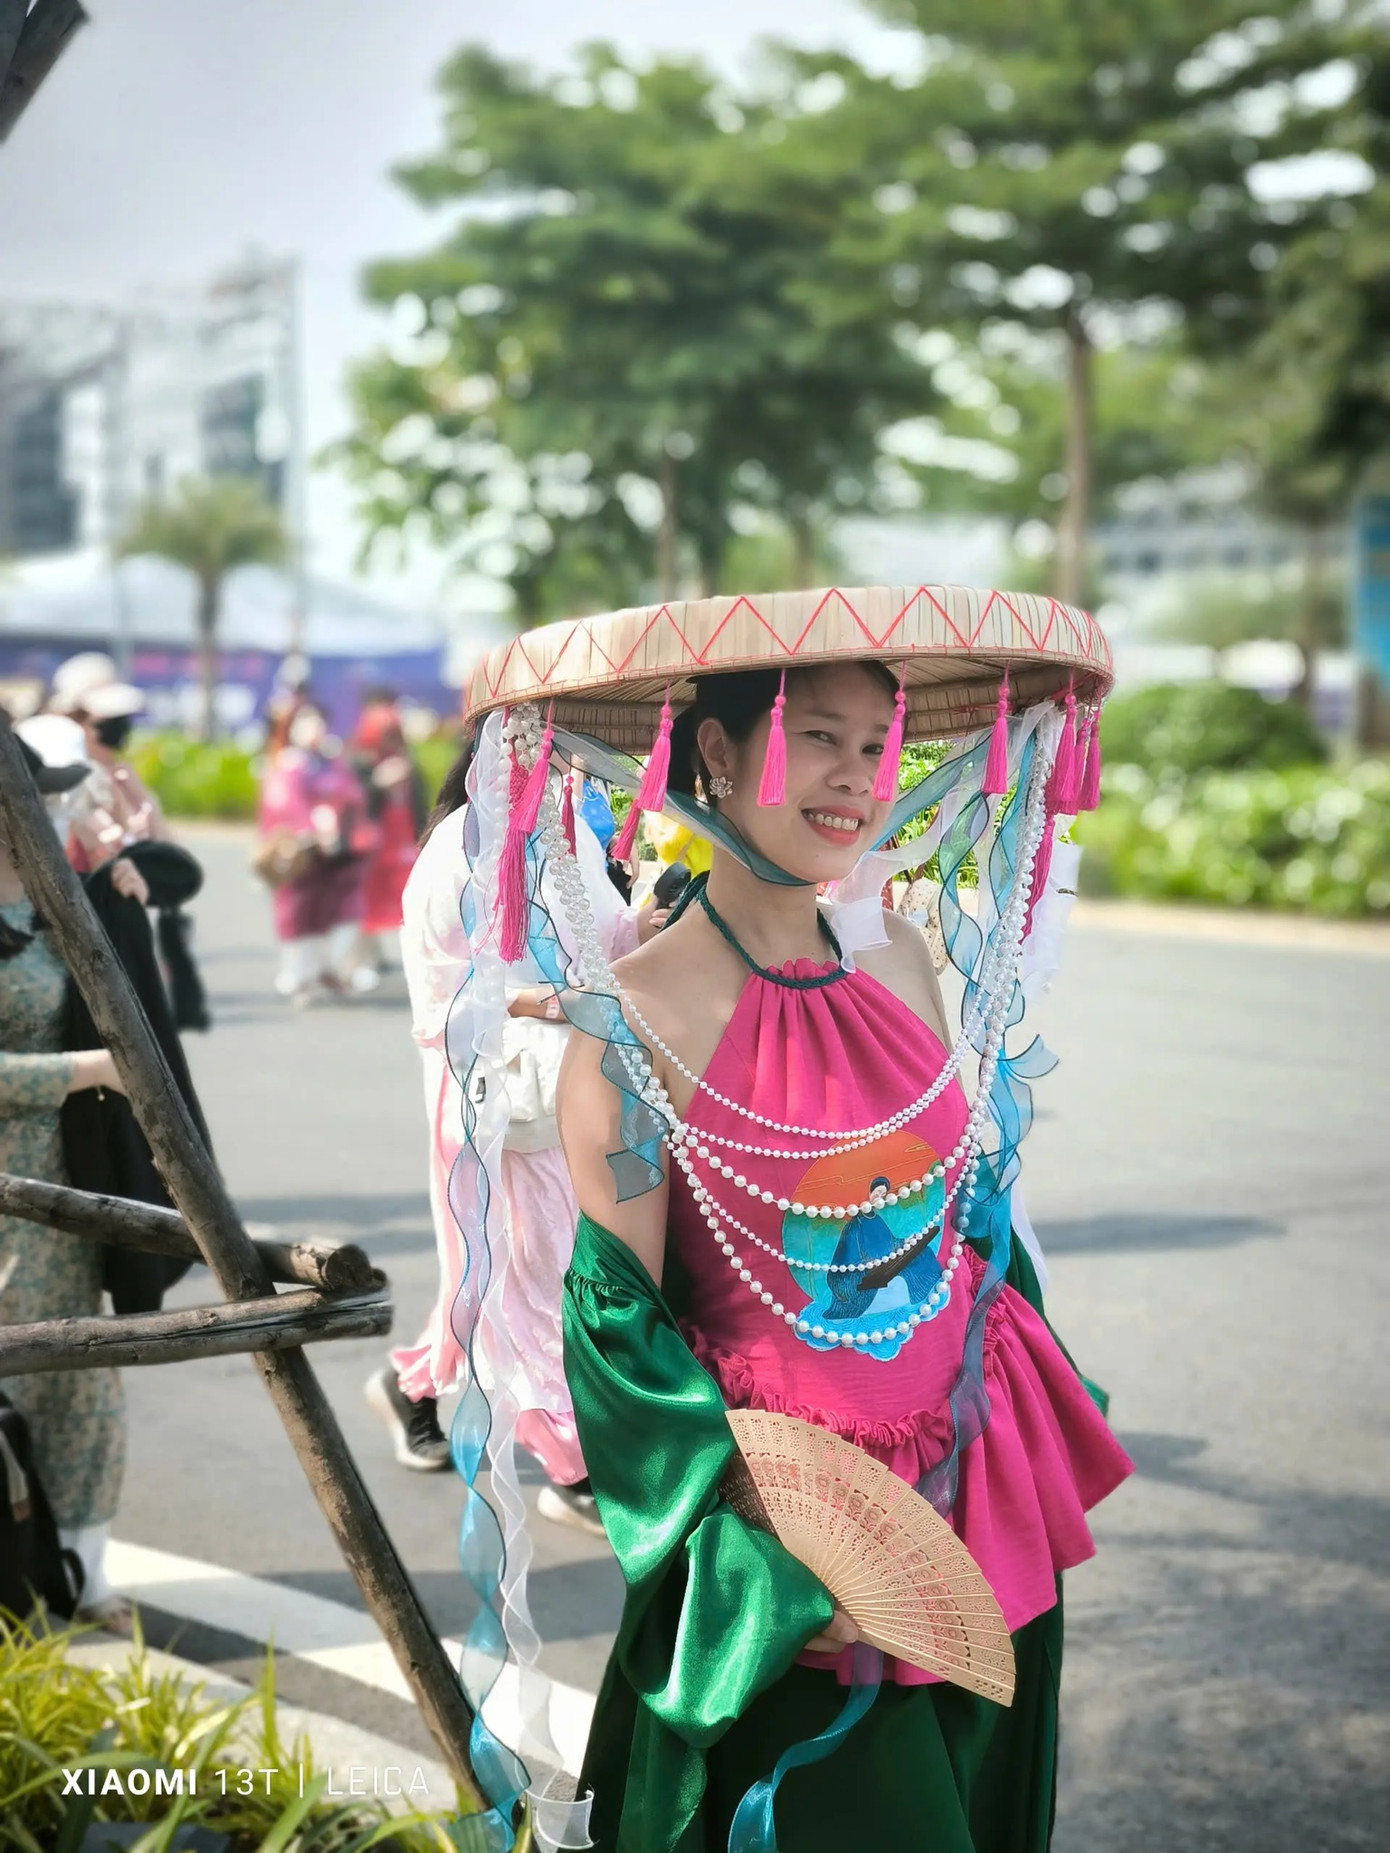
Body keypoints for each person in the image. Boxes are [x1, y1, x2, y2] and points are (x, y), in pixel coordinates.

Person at [446, 587, 1129, 1851]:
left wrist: (1015, 1429)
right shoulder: (628, 1021)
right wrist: (756, 1552)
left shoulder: (904, 964)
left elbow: (963, 1231)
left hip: (967, 1494)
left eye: (876, 747)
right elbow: (622, 1326)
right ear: (714, 753)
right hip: (798, 1540)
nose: (855, 779)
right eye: (817, 735)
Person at [366, 742, 653, 1535]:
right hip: (504, 1097)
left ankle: (418, 1383)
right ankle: (574, 1462)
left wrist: (648, 925)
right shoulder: (457, 847)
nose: (566, 766)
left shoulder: (570, 834)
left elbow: (608, 942)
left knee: (519, 1266)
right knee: (533, 1266)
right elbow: (440, 994)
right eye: (547, 745)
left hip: (583, 1084)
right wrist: (540, 1001)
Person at [0, 736, 135, 1627]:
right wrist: (92, 1066)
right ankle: (21, 1572)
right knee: (20, 1374)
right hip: (13, 1184)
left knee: (82, 1379)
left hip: (62, 1173)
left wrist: (128, 875)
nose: (43, 809)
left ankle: (82, 1574)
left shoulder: (46, 885)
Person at [255, 700, 372, 1005]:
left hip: (335, 853)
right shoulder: (288, 765)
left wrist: (337, 823)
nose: (315, 730)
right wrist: (311, 827)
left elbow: (353, 795)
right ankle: (300, 975)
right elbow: (283, 805)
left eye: (319, 723)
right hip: (301, 851)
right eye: (307, 723)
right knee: (298, 913)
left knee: (340, 910)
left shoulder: (332, 761)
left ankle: (326, 967)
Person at [349, 696, 425, 977]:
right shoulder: (361, 764)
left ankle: (417, 962)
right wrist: (378, 783)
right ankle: (364, 960)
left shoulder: (406, 763)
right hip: (372, 846)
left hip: (403, 844)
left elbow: (419, 805)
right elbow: (351, 802)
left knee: (411, 903)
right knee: (367, 905)